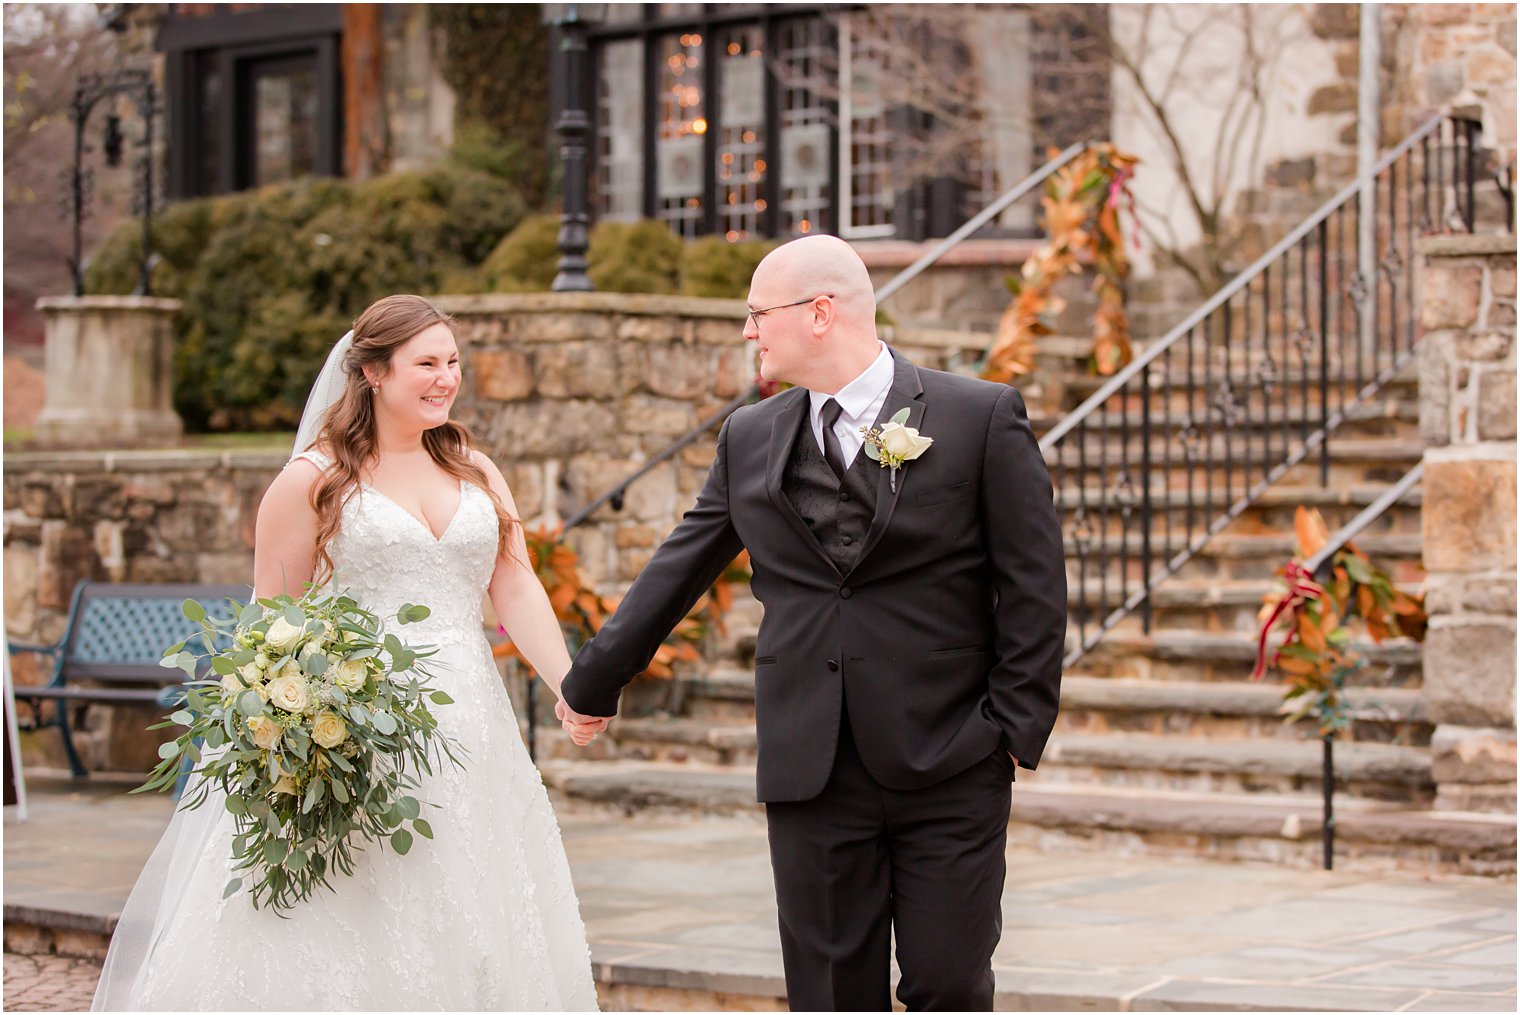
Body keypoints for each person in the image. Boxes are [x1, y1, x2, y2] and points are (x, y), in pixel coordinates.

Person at [558, 234, 1066, 1010]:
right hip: (811, 764)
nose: (748, 330)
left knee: (950, 983)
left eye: (758, 313)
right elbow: (681, 564)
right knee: (827, 993)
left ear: (820, 312)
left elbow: (1035, 586)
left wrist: (1011, 732)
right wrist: (593, 678)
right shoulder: (750, 436)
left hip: (952, 756)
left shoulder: (978, 417)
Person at [93, 295, 601, 1011]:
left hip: (476, 733)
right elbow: (271, 624)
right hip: (361, 732)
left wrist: (571, 684)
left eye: (452, 362)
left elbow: (514, 586)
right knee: (360, 913)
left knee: (478, 903)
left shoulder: (475, 469)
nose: (445, 378)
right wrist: (296, 732)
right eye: (425, 363)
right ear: (371, 372)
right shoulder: (313, 479)